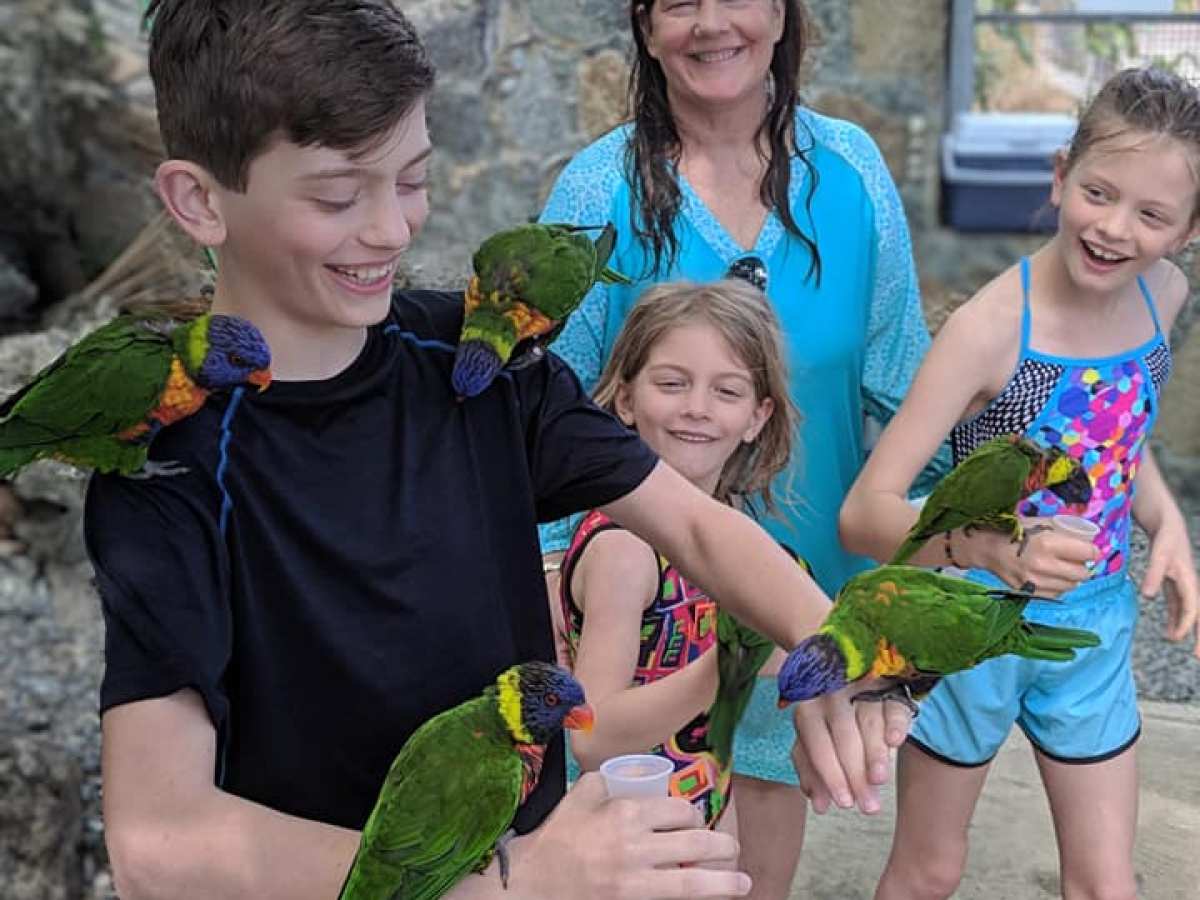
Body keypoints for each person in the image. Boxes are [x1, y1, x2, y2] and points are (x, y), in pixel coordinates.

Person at [84, 3, 901, 899]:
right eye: (336, 195)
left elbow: (701, 531)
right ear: (200, 200)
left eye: (413, 179)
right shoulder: (165, 463)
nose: (393, 230)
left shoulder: (481, 367)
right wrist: (513, 883)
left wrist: (831, 650)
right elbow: (158, 839)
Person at [538, 1, 942, 893]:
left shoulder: (853, 172)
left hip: (806, 599)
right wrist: (551, 596)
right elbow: (541, 413)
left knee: (757, 873)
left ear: (783, 15)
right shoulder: (594, 191)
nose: (713, 23)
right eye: (680, 2)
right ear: (644, 27)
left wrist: (971, 526)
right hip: (646, 626)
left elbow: (903, 377)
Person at [839, 66, 1200, 900]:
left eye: (1152, 215)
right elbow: (867, 513)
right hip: (968, 623)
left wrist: (1166, 521)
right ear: (1059, 172)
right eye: (1099, 193)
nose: (1115, 229)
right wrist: (998, 547)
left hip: (1092, 635)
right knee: (931, 869)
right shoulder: (990, 333)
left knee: (1109, 884)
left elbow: (1114, 437)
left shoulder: (1164, 297)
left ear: (1187, 230)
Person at [560, 279, 799, 845]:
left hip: (700, 818)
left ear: (758, 416)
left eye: (727, 391)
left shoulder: (729, 530)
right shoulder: (626, 549)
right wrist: (723, 669)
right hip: (619, 844)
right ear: (625, 399)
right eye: (672, 383)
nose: (696, 408)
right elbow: (591, 738)